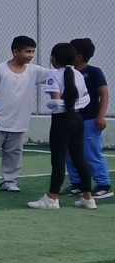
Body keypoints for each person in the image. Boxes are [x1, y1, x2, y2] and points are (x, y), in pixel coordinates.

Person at [29, 42, 96, 211]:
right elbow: (87, 98)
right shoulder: (78, 74)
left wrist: (59, 105)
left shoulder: (54, 76)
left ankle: (52, 199)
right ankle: (88, 198)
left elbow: (56, 102)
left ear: (54, 59)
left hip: (62, 121)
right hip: (78, 119)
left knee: (58, 159)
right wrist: (74, 105)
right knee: (79, 157)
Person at [0, 35, 43, 193]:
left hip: (19, 122)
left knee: (14, 153)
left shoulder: (35, 71)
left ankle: (9, 181)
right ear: (15, 52)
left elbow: (57, 75)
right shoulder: (0, 69)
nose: (31, 55)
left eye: (33, 51)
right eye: (28, 51)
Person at [63, 38, 110, 199]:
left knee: (91, 153)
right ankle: (77, 184)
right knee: (70, 151)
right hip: (72, 119)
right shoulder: (68, 72)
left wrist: (101, 116)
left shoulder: (94, 72)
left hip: (90, 119)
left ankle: (104, 185)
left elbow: (104, 94)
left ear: (79, 56)